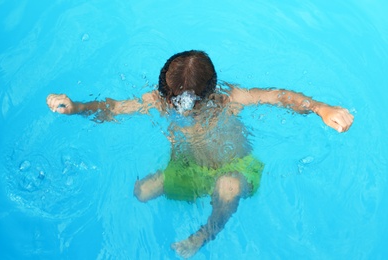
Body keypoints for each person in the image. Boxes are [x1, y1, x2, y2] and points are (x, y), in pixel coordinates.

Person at [46, 50, 354, 258]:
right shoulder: (159, 100)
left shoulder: (231, 98)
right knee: (142, 191)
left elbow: (280, 96)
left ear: (211, 93)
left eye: (193, 106)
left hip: (234, 167)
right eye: (173, 102)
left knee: (227, 186)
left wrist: (321, 109)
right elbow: (114, 108)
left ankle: (207, 232)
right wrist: (78, 108)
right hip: (187, 169)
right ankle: (195, 192)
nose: (183, 111)